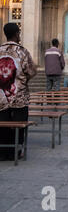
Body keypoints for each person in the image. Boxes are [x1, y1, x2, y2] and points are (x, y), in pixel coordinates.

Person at [0, 23, 37, 161]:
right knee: (19, 123)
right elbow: (31, 71)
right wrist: (22, 79)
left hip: (1, 97)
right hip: (19, 97)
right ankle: (17, 150)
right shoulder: (22, 51)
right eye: (19, 33)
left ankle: (3, 152)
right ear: (16, 34)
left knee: (2, 123)